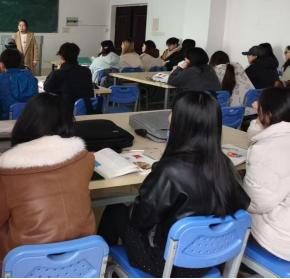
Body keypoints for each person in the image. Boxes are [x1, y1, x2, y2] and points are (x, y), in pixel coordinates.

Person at [97, 91, 250, 278]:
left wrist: (143, 194)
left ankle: (102, 267)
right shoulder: (225, 163)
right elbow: (242, 205)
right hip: (210, 259)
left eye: (172, 112)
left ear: (180, 122)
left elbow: (139, 219)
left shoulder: (170, 169)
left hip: (166, 264)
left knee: (115, 210)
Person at [0, 93, 95, 277]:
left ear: (25, 122)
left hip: (24, 263)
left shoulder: (8, 170)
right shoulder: (86, 159)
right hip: (80, 260)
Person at [244, 87, 290, 261]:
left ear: (268, 113)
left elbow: (255, 203)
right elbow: (263, 138)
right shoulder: (279, 138)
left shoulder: (267, 150)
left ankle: (229, 264)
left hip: (282, 237)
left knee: (226, 208)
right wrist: (260, 118)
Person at [0, 49, 38, 120]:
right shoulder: (31, 79)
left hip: (3, 121)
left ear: (2, 64)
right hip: (28, 121)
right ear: (19, 63)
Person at [43, 42, 94, 113]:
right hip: (86, 108)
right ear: (77, 55)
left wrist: (57, 70)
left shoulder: (59, 73)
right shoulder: (86, 71)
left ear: (62, 57)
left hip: (67, 111)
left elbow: (47, 88)